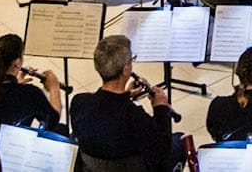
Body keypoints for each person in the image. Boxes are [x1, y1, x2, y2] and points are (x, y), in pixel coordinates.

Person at [69, 35, 176, 172]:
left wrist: (126, 95)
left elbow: (108, 113)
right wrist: (161, 109)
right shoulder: (135, 117)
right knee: (179, 141)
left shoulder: (79, 103)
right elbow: (162, 152)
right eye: (131, 60)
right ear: (126, 70)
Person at [0, 33, 63, 145]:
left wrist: (16, 84)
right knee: (61, 130)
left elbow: (0, 97)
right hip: (9, 151)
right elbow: (52, 121)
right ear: (17, 63)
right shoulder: (30, 94)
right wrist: (54, 88)